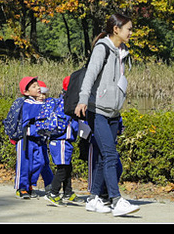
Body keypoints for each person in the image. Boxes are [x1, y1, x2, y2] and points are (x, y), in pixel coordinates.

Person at [74, 12, 139, 217]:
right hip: (97, 110)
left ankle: (93, 198)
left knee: (104, 156)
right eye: (128, 29)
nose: (131, 32)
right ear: (116, 29)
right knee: (110, 154)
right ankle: (116, 200)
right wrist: (83, 99)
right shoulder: (102, 48)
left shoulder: (122, 52)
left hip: (113, 113)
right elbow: (90, 75)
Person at [37, 75, 80, 206]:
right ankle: (53, 193)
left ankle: (68, 192)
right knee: (63, 168)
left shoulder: (62, 100)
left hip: (60, 140)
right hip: (61, 140)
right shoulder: (70, 102)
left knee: (67, 166)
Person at [14, 76, 51, 198]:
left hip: (37, 138)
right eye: (34, 87)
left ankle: (30, 184)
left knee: (40, 162)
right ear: (26, 92)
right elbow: (40, 109)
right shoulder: (28, 103)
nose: (38, 88)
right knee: (23, 164)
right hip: (25, 138)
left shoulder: (38, 103)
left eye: (38, 85)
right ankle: (22, 188)